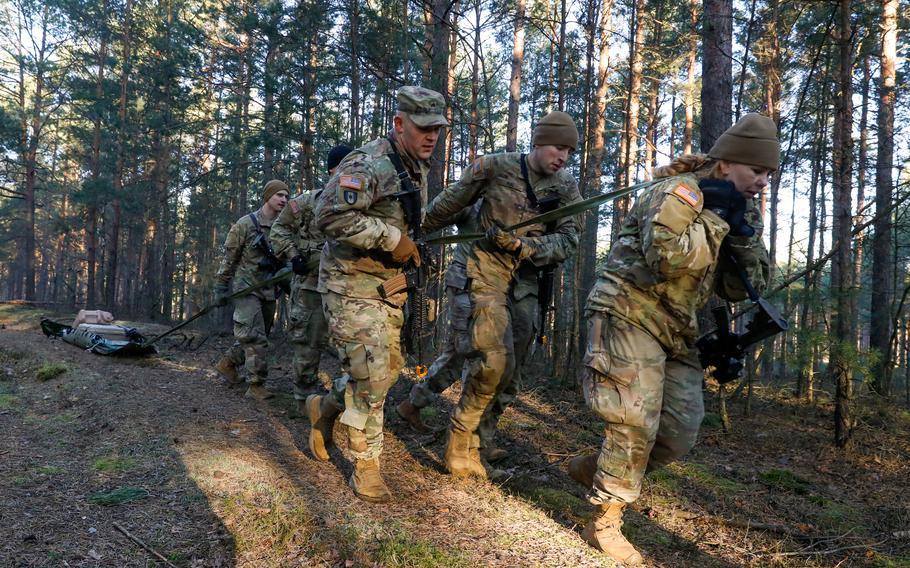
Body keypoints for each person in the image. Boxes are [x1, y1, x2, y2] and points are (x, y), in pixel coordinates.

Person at [572, 113, 776, 565]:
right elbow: (669, 259)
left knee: (680, 431)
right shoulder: (677, 192)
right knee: (633, 418)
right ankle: (603, 523)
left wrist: (739, 231)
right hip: (627, 309)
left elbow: (744, 286)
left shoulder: (740, 206)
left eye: (767, 175)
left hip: (676, 325)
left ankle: (594, 470)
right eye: (756, 171)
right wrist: (717, 219)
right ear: (726, 164)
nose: (762, 182)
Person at [421, 111, 583, 479]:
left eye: (570, 151)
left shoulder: (566, 187)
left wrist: (525, 246)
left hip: (525, 283)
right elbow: (449, 203)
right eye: (558, 147)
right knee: (491, 359)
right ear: (538, 142)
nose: (563, 157)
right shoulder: (494, 167)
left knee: (511, 370)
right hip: (482, 271)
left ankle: (482, 439)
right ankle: (459, 442)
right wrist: (415, 230)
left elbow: (569, 240)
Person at [305, 86, 447, 503]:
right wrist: (390, 238)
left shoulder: (412, 165)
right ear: (400, 123)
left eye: (437, 130)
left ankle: (325, 409)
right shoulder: (368, 163)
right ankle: (366, 465)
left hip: (388, 287)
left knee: (380, 375)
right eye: (423, 128)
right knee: (372, 374)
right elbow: (328, 215)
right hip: (349, 284)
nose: (431, 138)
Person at [396, 202, 541, 470]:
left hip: (506, 292)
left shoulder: (530, 206)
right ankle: (464, 441)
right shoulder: (475, 200)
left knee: (477, 359)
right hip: (469, 287)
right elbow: (431, 218)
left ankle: (475, 438)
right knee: (473, 356)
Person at [271, 145, 353, 410]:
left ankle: (344, 403)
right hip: (311, 287)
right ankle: (302, 400)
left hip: (349, 290)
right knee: (308, 343)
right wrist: (292, 255)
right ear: (332, 170)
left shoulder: (362, 205)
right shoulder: (307, 202)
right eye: (345, 166)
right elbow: (279, 230)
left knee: (353, 349)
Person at [213, 179, 290, 400]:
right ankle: (256, 386)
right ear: (268, 196)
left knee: (257, 335)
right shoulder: (245, 224)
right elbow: (229, 258)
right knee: (255, 338)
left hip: (269, 290)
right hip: (247, 289)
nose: (284, 200)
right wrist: (221, 286)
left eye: (286, 196)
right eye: (279, 195)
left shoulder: (283, 227)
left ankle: (227, 363)